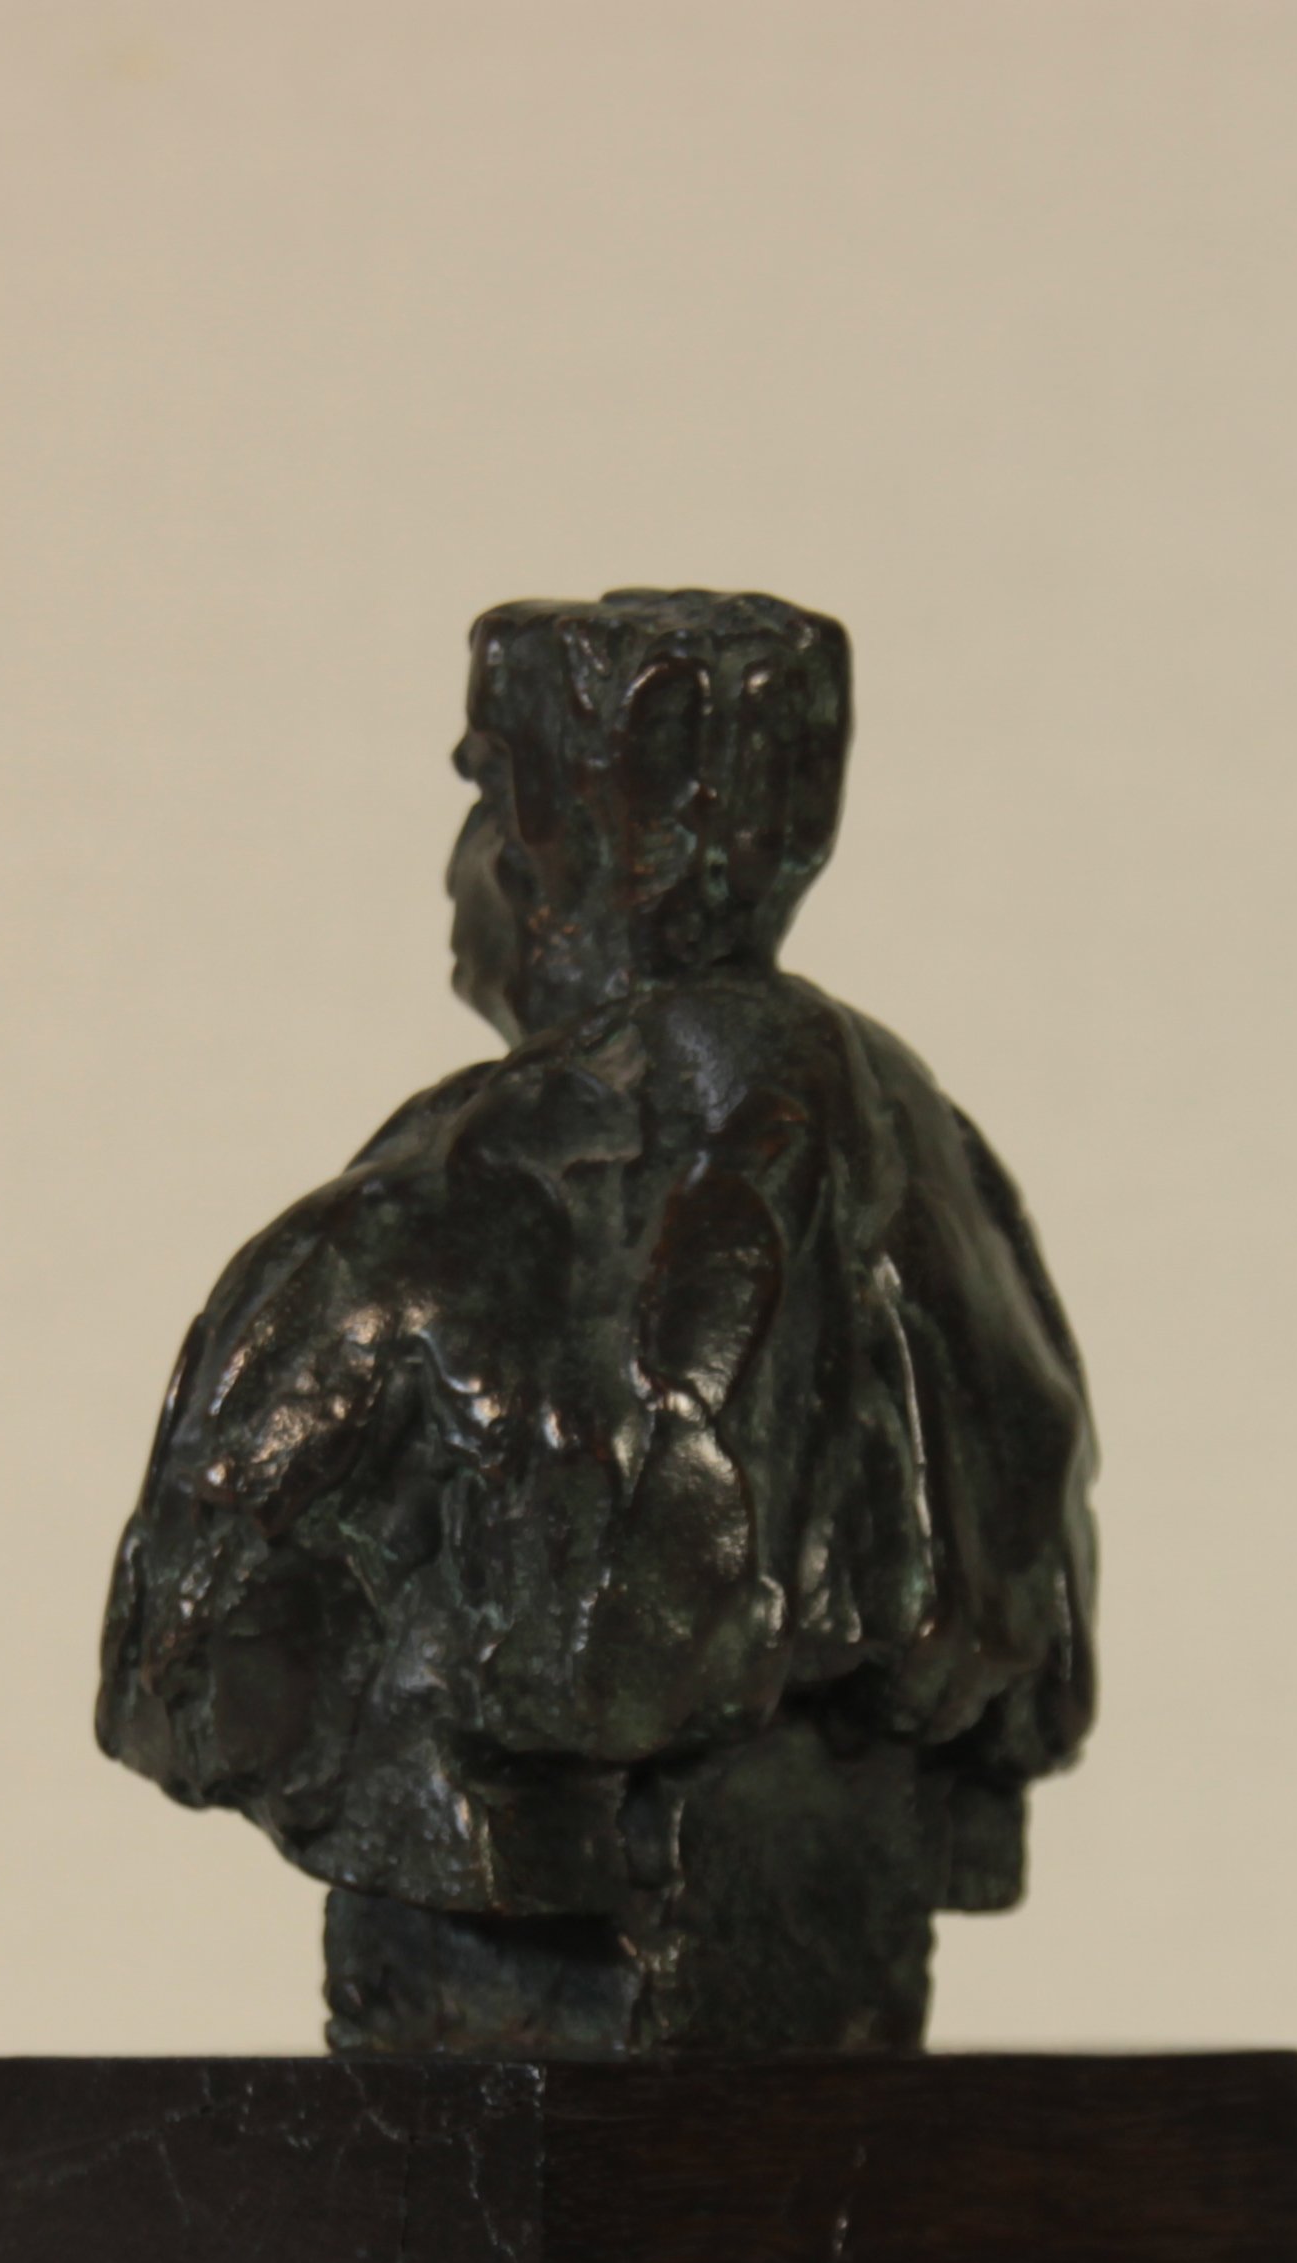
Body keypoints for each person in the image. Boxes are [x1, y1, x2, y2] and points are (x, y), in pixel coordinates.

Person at [96, 592, 1095, 2053]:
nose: (463, 867)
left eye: (489, 795)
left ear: (563, 840)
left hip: (548, 1977)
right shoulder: (955, 1189)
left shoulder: (436, 1217)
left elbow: (182, 1678)